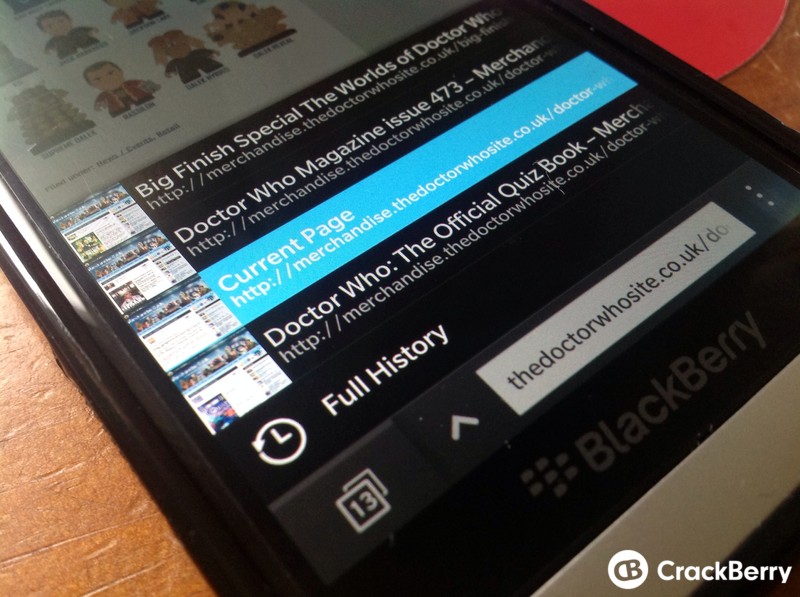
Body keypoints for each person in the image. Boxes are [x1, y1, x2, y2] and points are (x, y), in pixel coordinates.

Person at [84, 61, 159, 117]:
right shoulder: (103, 96)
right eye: (98, 79)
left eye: (110, 73)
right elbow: (99, 109)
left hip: (145, 102)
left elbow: (154, 88)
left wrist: (152, 87)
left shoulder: (132, 83)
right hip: (119, 112)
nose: (107, 79)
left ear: (121, 71)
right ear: (91, 85)